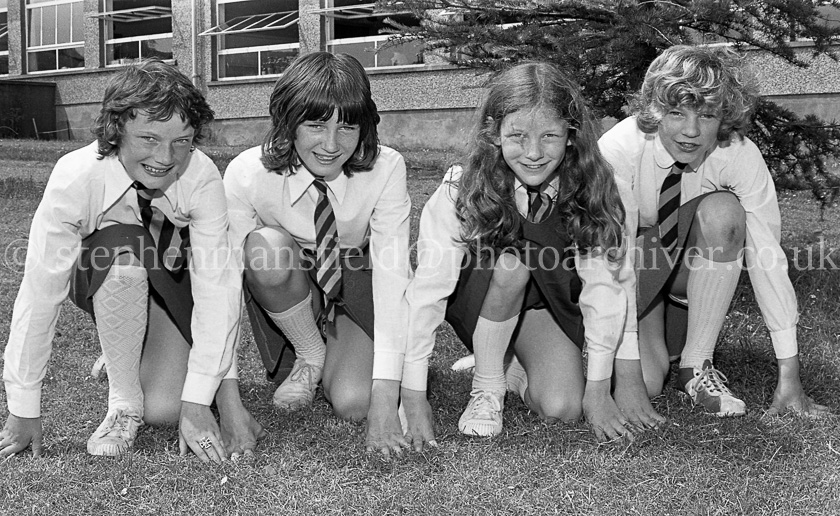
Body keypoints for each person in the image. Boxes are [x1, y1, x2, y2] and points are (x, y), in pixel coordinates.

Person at [0, 59, 263, 461]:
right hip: (109, 274)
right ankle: (123, 402)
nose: (166, 157)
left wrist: (203, 400)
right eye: (150, 138)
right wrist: (23, 406)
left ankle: (132, 346)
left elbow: (217, 290)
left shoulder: (202, 176)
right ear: (116, 130)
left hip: (176, 286)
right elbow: (40, 292)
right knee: (121, 246)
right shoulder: (75, 176)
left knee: (165, 409)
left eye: (183, 141)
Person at [403, 62, 663, 443]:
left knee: (563, 407)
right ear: (494, 133)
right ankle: (488, 384)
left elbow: (607, 288)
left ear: (572, 134)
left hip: (549, 303)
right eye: (518, 136)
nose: (534, 153)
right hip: (481, 297)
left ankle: (511, 363)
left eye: (550, 136)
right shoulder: (461, 189)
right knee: (512, 264)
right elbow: (428, 290)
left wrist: (599, 389)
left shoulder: (602, 188)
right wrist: (412, 393)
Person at [599, 45, 828, 417]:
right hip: (630, 278)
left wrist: (790, 373)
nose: (691, 131)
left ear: (723, 118)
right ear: (656, 111)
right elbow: (610, 255)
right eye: (676, 113)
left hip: (686, 286)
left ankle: (696, 363)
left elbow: (766, 255)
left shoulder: (738, 152)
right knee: (649, 381)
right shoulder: (620, 147)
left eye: (706, 116)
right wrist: (625, 376)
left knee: (724, 211)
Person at [224, 52, 414, 456]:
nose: (331, 145)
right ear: (287, 120)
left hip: (355, 281)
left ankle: (337, 347)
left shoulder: (386, 167)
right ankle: (309, 351)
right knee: (266, 248)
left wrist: (388, 398)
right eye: (315, 125)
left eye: (347, 127)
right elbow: (222, 284)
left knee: (354, 402)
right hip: (289, 286)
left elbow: (393, 274)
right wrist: (226, 400)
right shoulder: (246, 172)